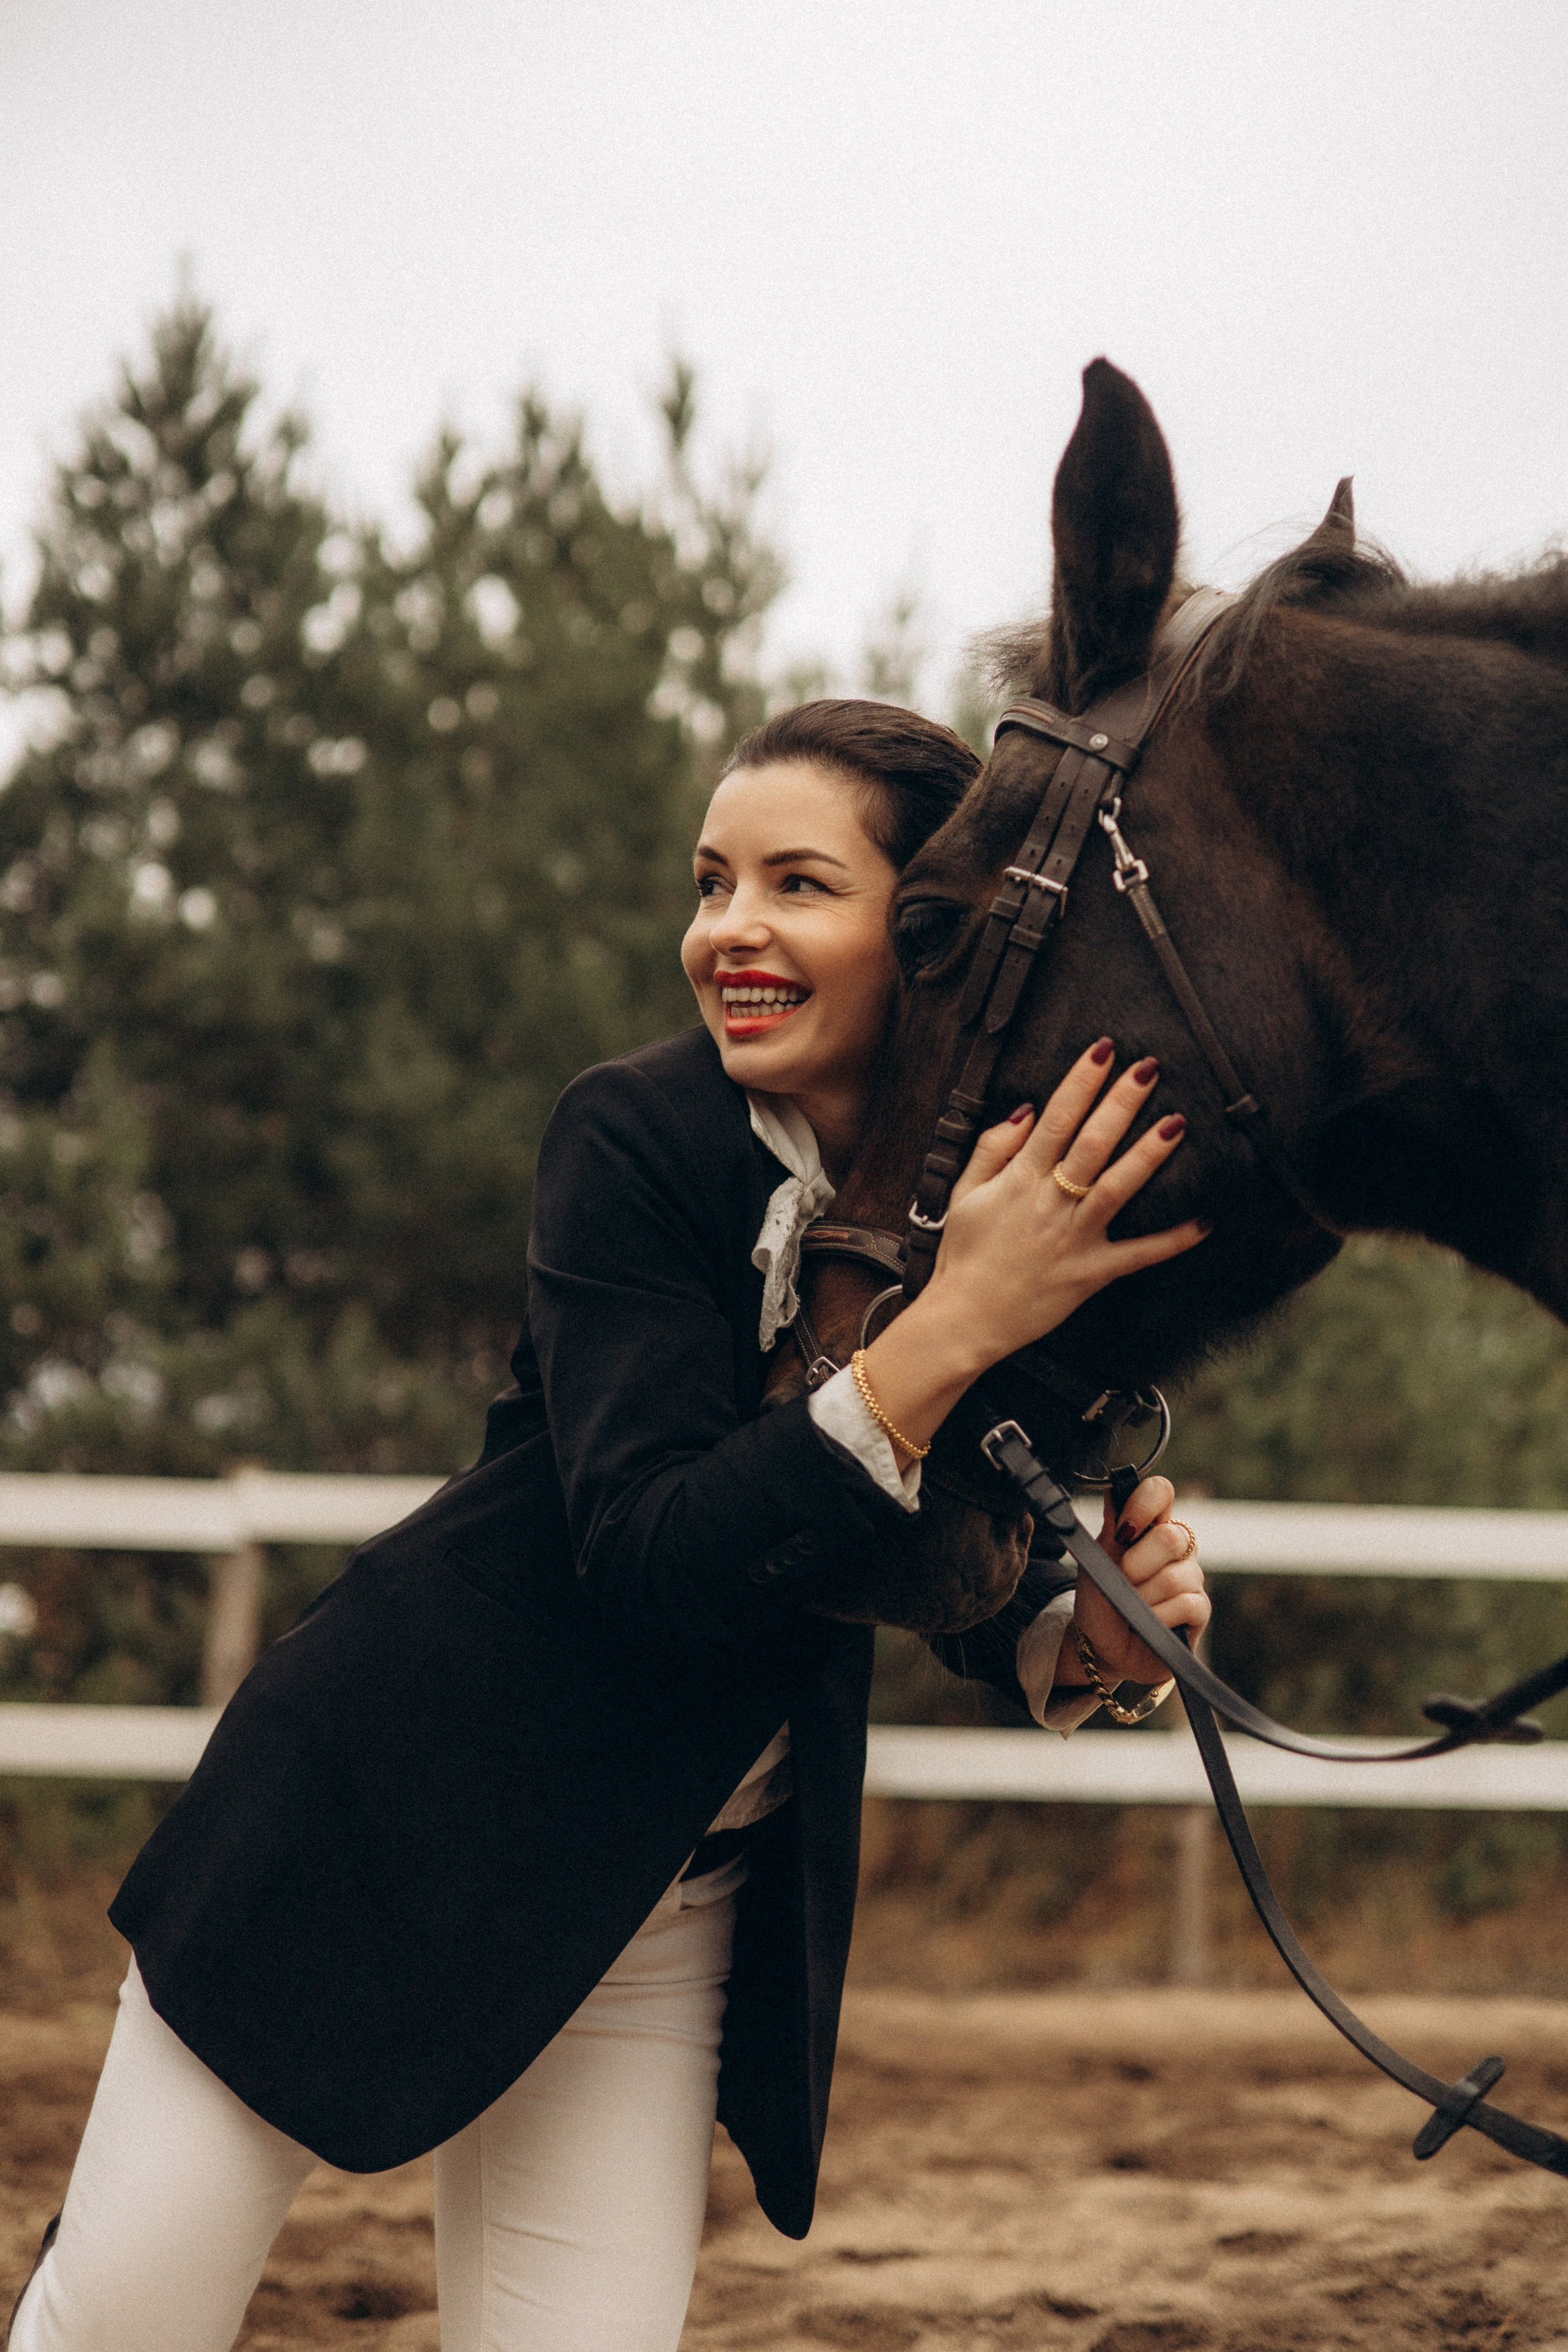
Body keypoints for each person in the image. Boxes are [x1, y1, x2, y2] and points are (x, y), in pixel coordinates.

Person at [7, 701, 1210, 2352]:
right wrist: (949, 1330)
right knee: (121, 2330)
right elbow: (654, 1550)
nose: (731, 930)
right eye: (712, 883)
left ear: (927, 931)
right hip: (386, 1822)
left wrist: (1079, 1641)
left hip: (673, 1898)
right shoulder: (633, 1137)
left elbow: (930, 1549)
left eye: (798, 885)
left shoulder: (1006, 1197)